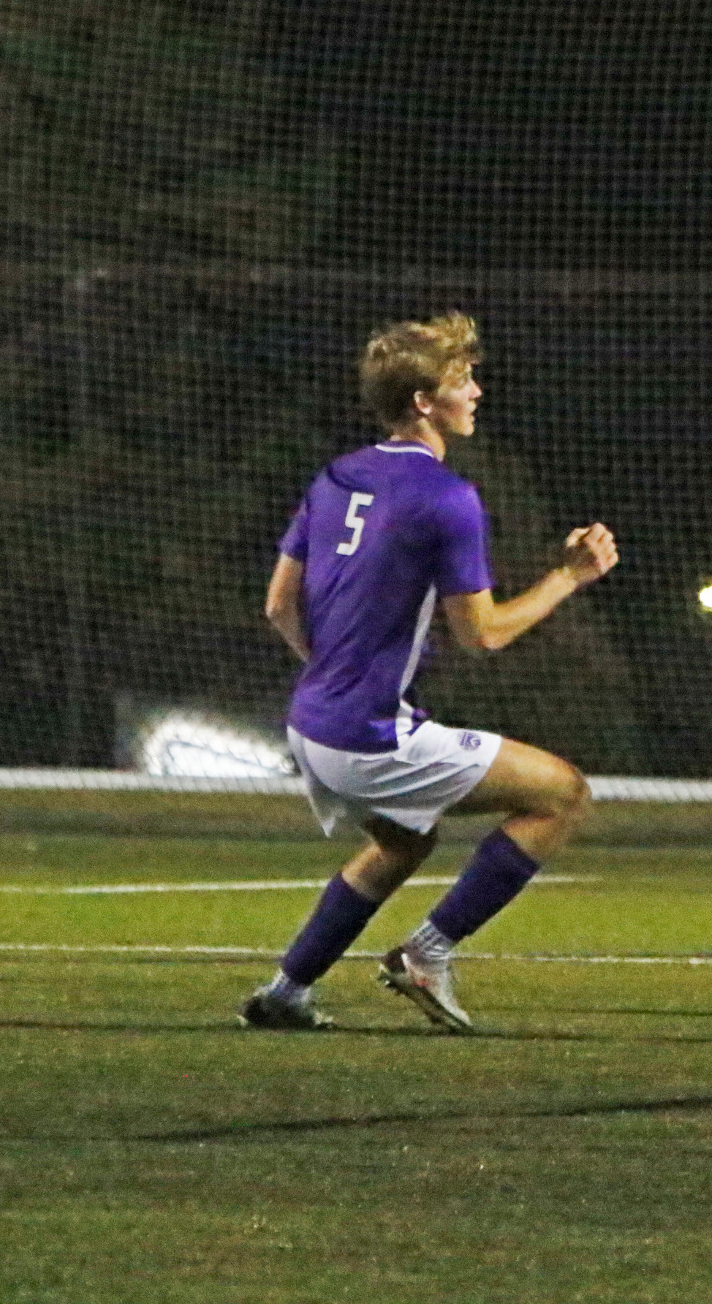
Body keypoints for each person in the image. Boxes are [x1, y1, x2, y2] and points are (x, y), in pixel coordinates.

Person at [240, 312, 617, 1033]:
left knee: (404, 841)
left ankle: (286, 991)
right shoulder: (448, 497)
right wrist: (570, 575)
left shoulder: (334, 476)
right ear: (422, 401)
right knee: (562, 794)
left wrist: (334, 677)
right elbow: (483, 635)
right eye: (461, 380)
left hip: (310, 722)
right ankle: (427, 951)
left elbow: (278, 605)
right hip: (367, 735)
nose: (475, 391)